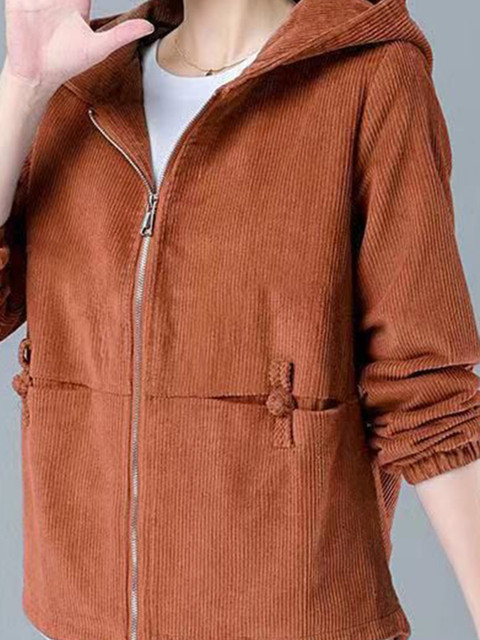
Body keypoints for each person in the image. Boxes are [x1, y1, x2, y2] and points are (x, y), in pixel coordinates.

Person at [1, 1, 480, 640]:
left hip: (292, 619)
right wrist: (24, 87)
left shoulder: (370, 77)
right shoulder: (81, 79)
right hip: (80, 617)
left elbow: (427, 390)